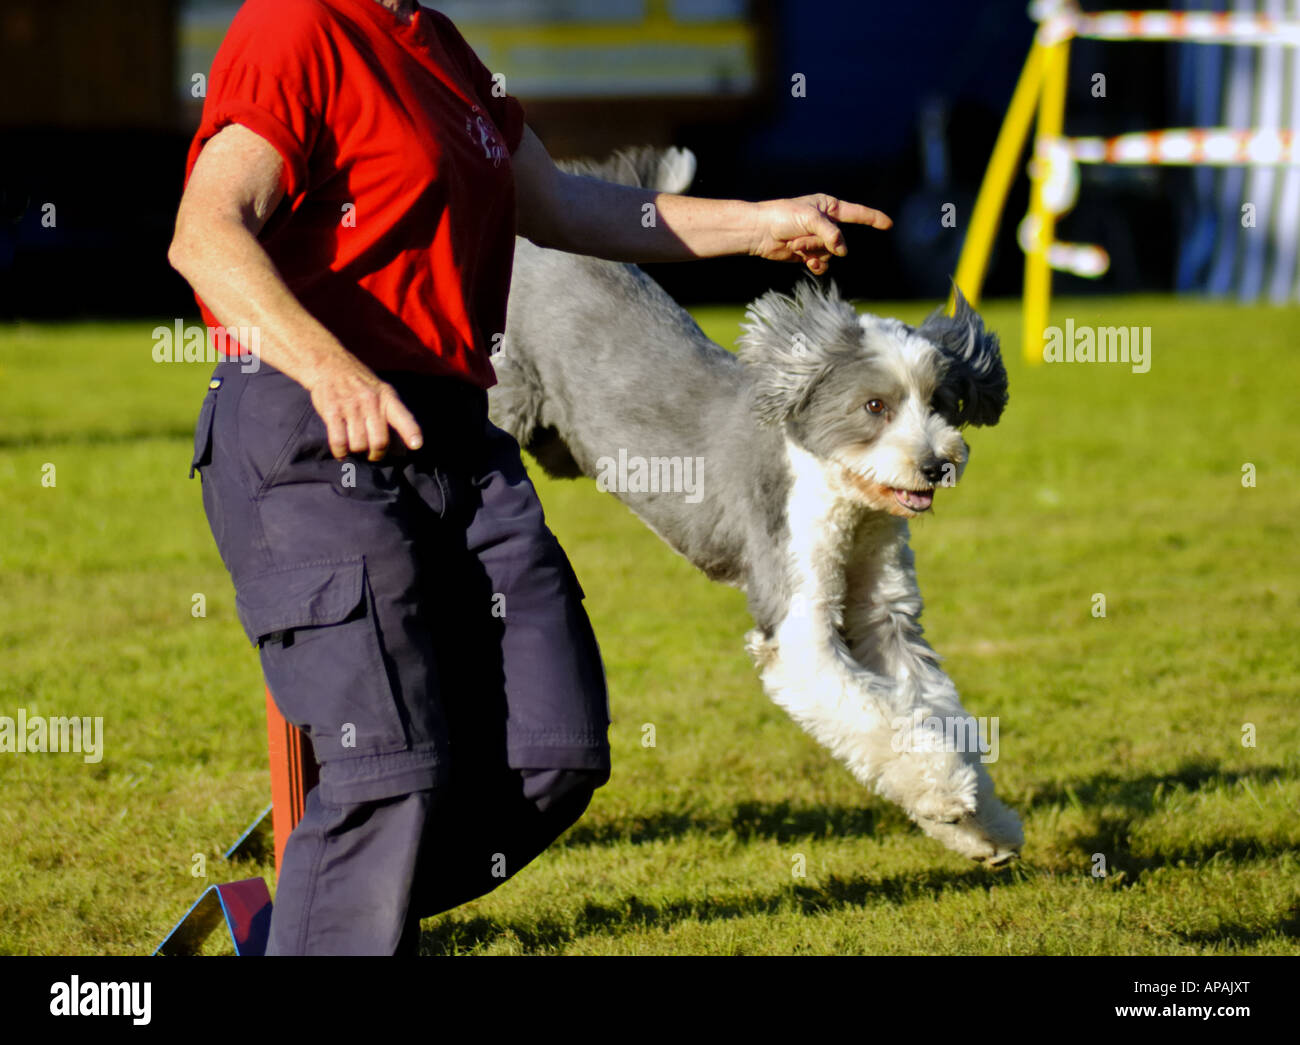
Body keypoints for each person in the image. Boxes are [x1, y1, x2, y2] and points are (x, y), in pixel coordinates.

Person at [169, 0, 892, 956]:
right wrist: (328, 366)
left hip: (454, 434)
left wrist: (757, 224)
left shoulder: (439, 48)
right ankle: (328, 923)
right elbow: (206, 234)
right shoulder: (297, 24)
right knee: (388, 767)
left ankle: (307, 922)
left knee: (552, 747)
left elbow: (557, 206)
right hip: (314, 429)